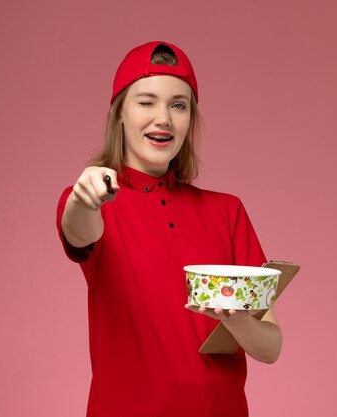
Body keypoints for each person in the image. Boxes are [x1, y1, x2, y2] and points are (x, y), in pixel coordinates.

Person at [55, 40, 282, 417]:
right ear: (120, 115)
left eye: (179, 105)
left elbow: (270, 347)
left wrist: (236, 319)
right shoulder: (97, 202)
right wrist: (85, 195)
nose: (164, 118)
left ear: (190, 119)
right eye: (146, 102)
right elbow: (79, 230)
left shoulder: (227, 211)